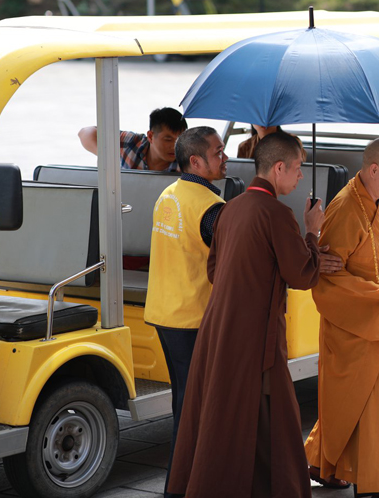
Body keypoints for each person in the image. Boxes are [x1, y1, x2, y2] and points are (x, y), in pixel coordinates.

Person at [168, 132, 342, 498]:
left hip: (220, 325)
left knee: (230, 409)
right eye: (297, 169)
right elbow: (301, 275)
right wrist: (312, 231)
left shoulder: (231, 207)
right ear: (279, 168)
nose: (300, 177)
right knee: (274, 412)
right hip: (254, 333)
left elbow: (216, 270)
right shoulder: (277, 214)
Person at [304, 137, 379, 498]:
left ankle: (321, 461)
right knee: (377, 404)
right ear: (374, 170)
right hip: (357, 323)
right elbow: (329, 277)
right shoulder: (344, 208)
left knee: (353, 403)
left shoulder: (377, 200)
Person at [143, 126, 227, 497]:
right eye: (218, 152)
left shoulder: (168, 194)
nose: (224, 157)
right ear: (196, 161)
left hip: (164, 312)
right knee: (197, 411)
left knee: (185, 403)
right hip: (193, 317)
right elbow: (231, 261)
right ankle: (181, 488)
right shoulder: (211, 208)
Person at [78, 107, 187, 171]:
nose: (175, 145)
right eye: (168, 139)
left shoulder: (188, 161)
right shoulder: (131, 143)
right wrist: (104, 155)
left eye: (180, 139)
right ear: (150, 136)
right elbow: (85, 132)